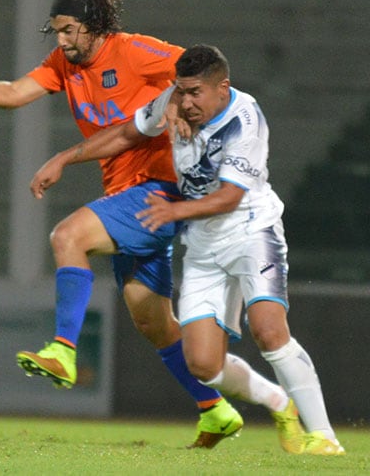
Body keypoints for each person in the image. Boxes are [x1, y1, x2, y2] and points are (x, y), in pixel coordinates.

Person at [0, 0, 243, 449]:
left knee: (67, 236)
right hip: (127, 195)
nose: (62, 40)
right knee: (153, 324)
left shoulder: (134, 52)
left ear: (95, 26)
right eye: (57, 31)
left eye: (70, 30)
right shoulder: (63, 65)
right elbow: (14, 93)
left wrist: (182, 105)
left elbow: (199, 72)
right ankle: (215, 409)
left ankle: (64, 349)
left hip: (160, 188)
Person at [33, 44, 344, 455]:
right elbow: (128, 132)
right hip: (203, 245)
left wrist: (173, 209)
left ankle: (323, 435)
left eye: (195, 92)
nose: (186, 101)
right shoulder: (173, 102)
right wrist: (64, 157)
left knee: (268, 330)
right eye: (180, 91)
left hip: (251, 232)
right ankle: (278, 402)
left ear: (222, 88)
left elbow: (231, 197)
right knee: (203, 364)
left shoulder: (244, 119)